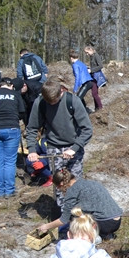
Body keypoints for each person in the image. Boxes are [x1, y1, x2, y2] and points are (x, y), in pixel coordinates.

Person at [26, 79, 93, 210]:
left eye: (54, 101)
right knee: (59, 184)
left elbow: (87, 129)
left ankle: (78, 214)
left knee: (75, 183)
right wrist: (32, 150)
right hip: (53, 148)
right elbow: (32, 128)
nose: (51, 104)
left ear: (61, 91)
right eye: (48, 102)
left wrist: (74, 149)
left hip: (73, 148)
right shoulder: (40, 103)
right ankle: (63, 216)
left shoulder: (73, 101)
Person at [35, 170, 124, 241]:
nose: (59, 190)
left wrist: (46, 227)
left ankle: (94, 237)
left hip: (105, 224)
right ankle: (106, 234)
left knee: (75, 218)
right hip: (117, 220)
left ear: (61, 184)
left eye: (58, 187)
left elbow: (63, 220)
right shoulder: (90, 183)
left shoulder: (72, 191)